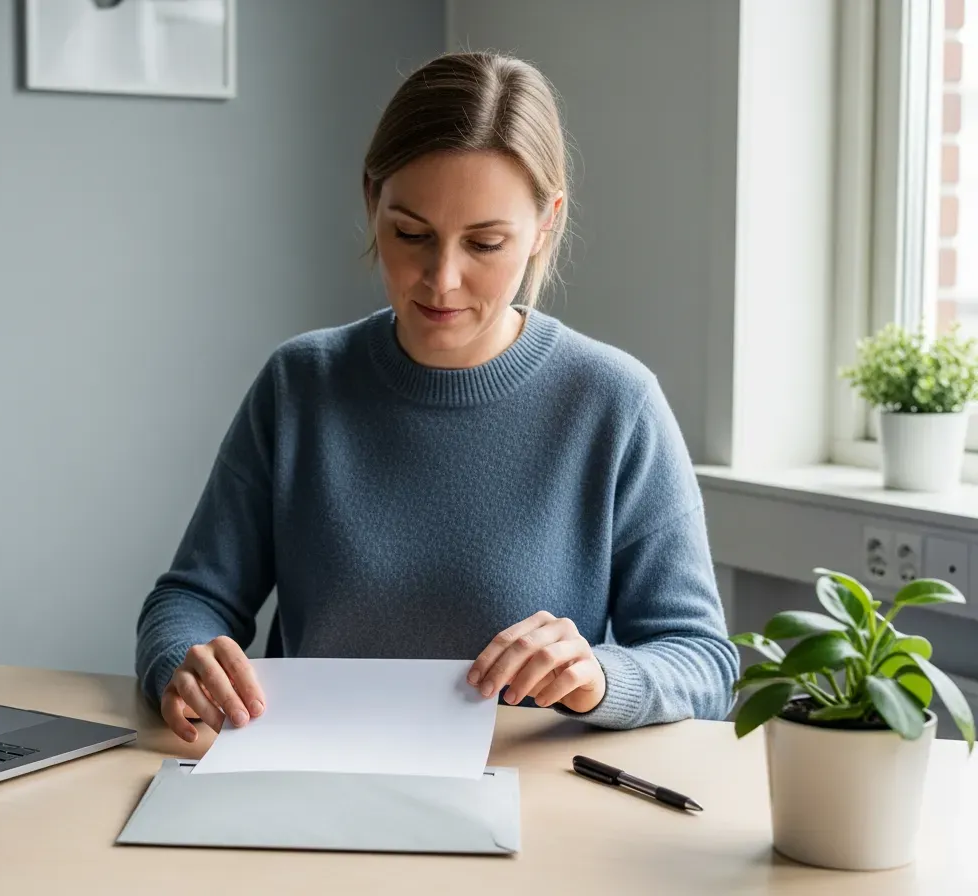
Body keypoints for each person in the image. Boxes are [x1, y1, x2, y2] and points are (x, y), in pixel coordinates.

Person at [135, 50, 736, 742]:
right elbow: (191, 598)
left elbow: (704, 664)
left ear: (545, 223)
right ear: (372, 200)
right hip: (308, 773)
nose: (441, 278)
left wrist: (600, 677)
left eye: (485, 244)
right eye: (411, 234)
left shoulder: (614, 404)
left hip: (528, 791)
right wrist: (182, 660)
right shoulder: (300, 384)